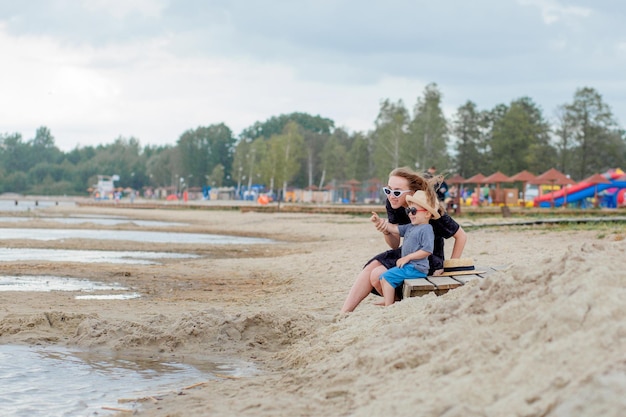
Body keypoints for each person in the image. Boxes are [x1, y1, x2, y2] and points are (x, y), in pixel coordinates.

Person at [340, 167, 467, 313]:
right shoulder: (393, 204)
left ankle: (395, 303)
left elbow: (461, 236)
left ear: (412, 192)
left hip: (428, 258)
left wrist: (449, 270)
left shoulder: (427, 209)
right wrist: (385, 230)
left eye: (397, 192)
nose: (391, 196)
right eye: (388, 190)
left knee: (376, 275)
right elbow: (394, 245)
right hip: (406, 252)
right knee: (371, 267)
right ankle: (344, 313)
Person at [376, 190, 439, 306]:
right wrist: (380, 222)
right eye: (408, 211)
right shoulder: (411, 227)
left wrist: (408, 257)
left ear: (427, 214)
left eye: (413, 211)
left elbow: (427, 250)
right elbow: (394, 229)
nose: (410, 214)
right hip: (409, 266)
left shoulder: (426, 229)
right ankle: (389, 300)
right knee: (382, 277)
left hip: (417, 268)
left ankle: (389, 305)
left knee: (386, 277)